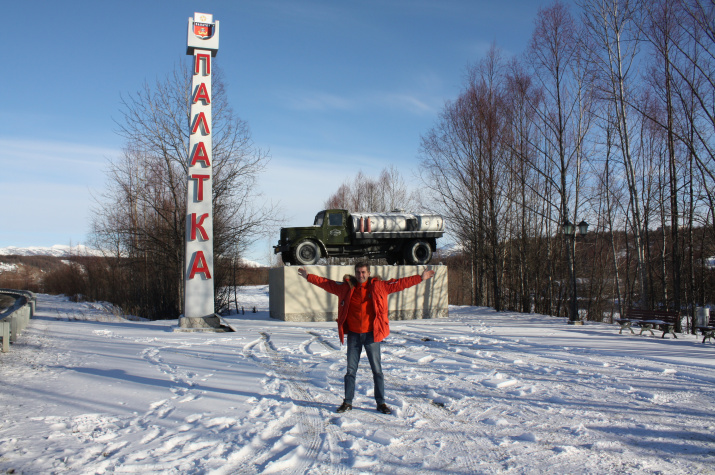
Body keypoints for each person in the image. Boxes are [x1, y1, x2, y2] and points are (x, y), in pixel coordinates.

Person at [298, 262, 435, 414]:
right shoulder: (346, 288)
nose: (360, 275)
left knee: (377, 370)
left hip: (372, 335)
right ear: (355, 273)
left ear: (369, 273)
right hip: (354, 335)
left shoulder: (379, 286)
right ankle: (347, 402)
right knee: (350, 370)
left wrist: (420, 278)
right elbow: (326, 283)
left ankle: (381, 403)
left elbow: (400, 283)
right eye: (358, 272)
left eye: (363, 272)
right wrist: (308, 277)